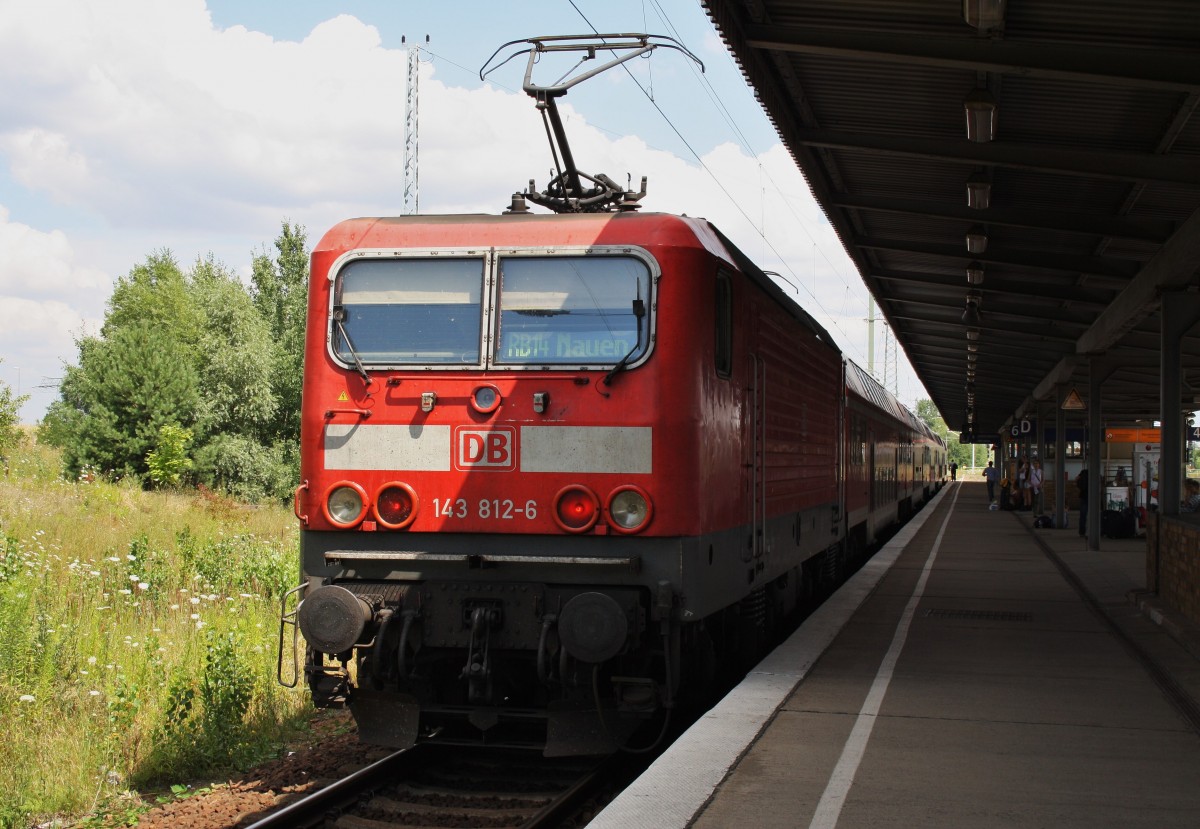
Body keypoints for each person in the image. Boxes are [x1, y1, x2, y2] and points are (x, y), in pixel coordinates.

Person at [1076, 468, 1089, 536]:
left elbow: (1077, 480)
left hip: (1083, 496)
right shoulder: (1095, 472)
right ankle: (1094, 530)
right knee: (1093, 515)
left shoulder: (1083, 472)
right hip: (1092, 497)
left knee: (1083, 515)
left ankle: (1082, 531)